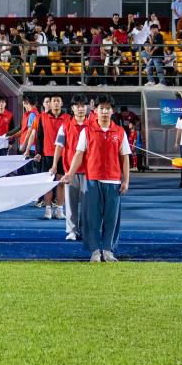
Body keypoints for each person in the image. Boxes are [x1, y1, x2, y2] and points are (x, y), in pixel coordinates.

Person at [61, 93, 131, 262]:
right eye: (102, 108)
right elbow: (79, 154)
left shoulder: (120, 132)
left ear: (112, 111)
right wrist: (70, 173)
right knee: (91, 218)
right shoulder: (87, 131)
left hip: (113, 181)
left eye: (108, 108)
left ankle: (108, 250)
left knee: (111, 219)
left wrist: (126, 180)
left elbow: (125, 157)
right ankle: (94, 250)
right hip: (92, 180)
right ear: (95, 111)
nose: (105, 111)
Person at [53, 94, 90, 241]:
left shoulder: (93, 125)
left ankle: (86, 230)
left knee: (88, 205)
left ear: (87, 108)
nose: (80, 108)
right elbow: (59, 146)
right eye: (77, 106)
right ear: (72, 108)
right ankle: (72, 230)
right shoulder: (65, 126)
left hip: (89, 171)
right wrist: (54, 165)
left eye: (83, 105)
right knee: (71, 203)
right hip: (70, 172)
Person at [39, 96, 69, 219]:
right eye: (53, 101)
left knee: (61, 183)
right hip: (47, 155)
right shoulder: (42, 117)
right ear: (50, 104)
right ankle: (48, 210)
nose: (56, 103)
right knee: (48, 184)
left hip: (63, 155)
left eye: (58, 101)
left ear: (62, 103)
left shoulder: (68, 118)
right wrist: (39, 152)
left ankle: (59, 209)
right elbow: (39, 136)